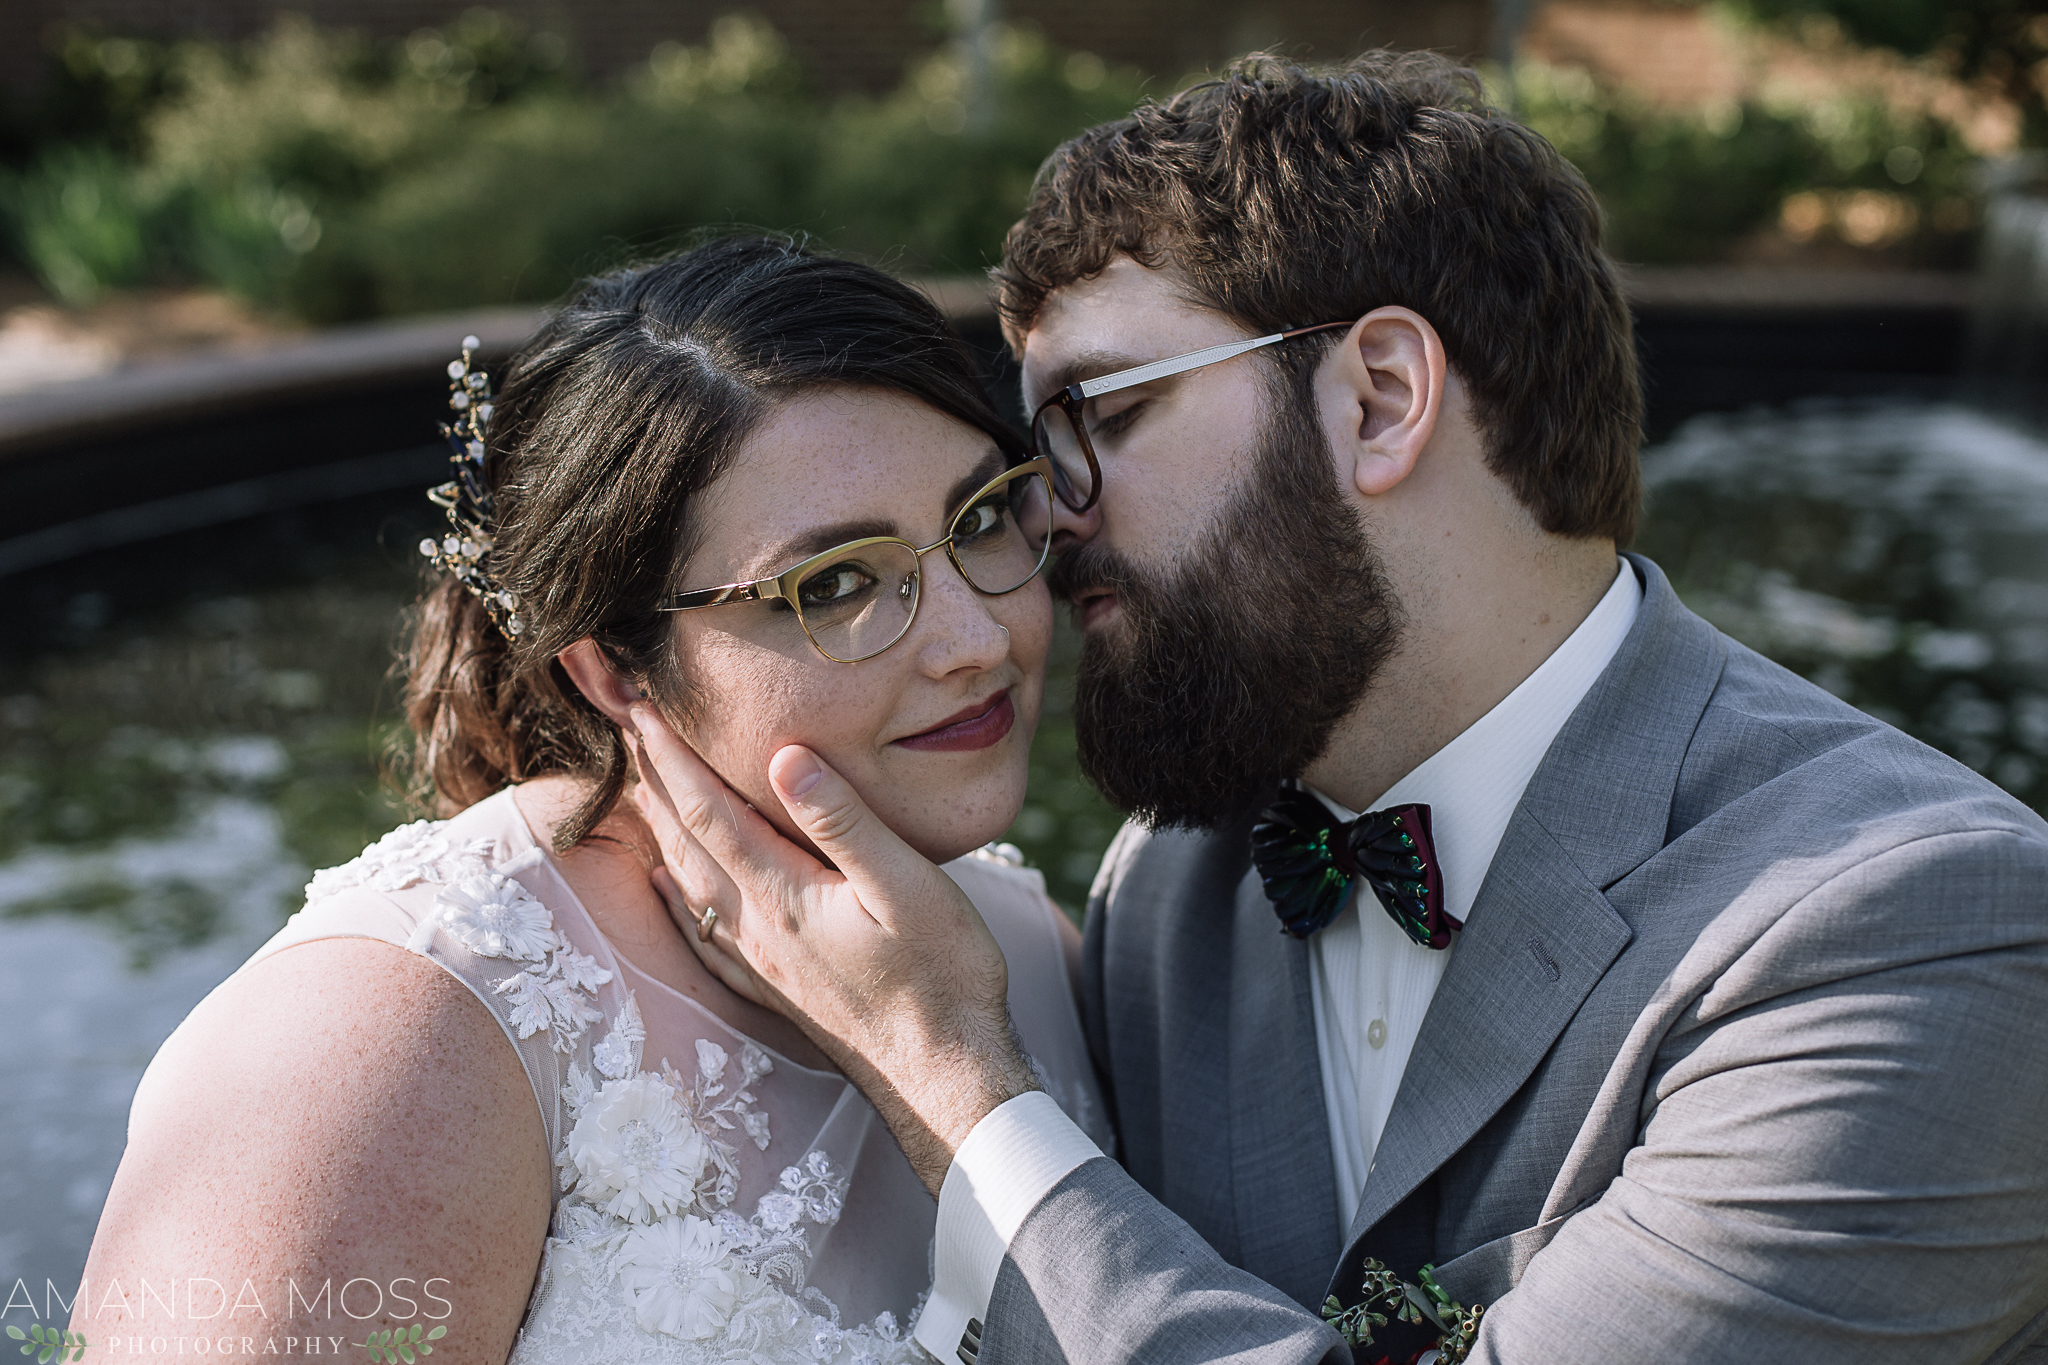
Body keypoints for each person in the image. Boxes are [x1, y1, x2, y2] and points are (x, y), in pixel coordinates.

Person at [626, 52, 2048, 1365]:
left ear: (1377, 397)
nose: (1047, 512)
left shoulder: (1913, 925)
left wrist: (960, 1092)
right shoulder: (1172, 887)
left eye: (1101, 416)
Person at [68, 237, 1109, 1365]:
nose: (976, 638)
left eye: (980, 521)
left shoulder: (1022, 949)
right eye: (836, 584)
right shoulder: (393, 1031)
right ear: (611, 666)